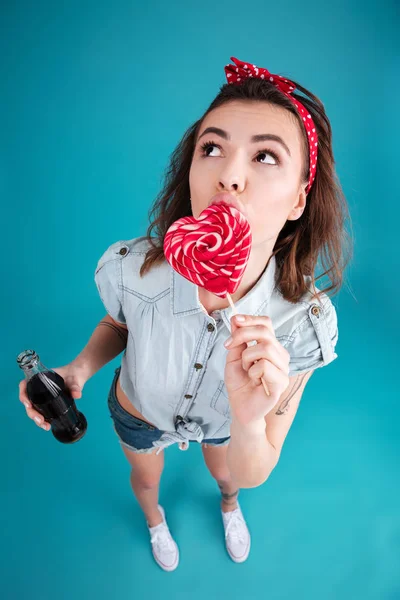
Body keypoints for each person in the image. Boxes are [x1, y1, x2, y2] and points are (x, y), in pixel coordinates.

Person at [19, 56, 352, 572]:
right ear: (192, 169)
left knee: (228, 474)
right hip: (140, 410)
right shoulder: (135, 268)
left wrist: (246, 418)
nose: (230, 177)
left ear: (298, 199)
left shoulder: (303, 321)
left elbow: (258, 460)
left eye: (265, 156)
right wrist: (79, 369)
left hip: (222, 425)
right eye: (212, 148)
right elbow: (119, 325)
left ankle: (227, 505)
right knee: (146, 479)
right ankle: (155, 521)